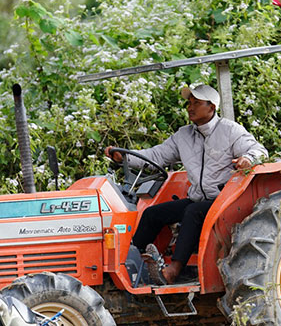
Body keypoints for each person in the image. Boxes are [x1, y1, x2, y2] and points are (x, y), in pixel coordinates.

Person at [104, 84, 268, 285]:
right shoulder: (184, 135)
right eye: (189, 103)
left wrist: (247, 159)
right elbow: (156, 155)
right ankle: (130, 263)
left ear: (211, 107)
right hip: (198, 197)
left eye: (196, 103)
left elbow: (258, 150)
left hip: (224, 201)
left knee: (193, 211)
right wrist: (125, 158)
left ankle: (174, 270)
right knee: (152, 213)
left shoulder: (230, 130)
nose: (190, 107)